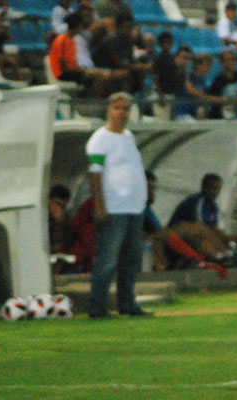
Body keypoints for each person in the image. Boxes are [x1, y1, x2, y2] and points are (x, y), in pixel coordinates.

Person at [85, 92, 152, 319]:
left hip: (133, 207)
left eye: (126, 108)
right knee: (108, 259)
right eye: (118, 108)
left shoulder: (128, 137)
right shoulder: (100, 139)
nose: (122, 112)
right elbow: (95, 174)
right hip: (114, 208)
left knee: (131, 260)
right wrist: (100, 206)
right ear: (108, 110)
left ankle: (127, 303)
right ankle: (97, 306)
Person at [206, 49, 237, 119]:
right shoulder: (219, 79)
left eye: (233, 59)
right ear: (222, 63)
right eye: (227, 60)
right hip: (218, 114)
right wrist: (223, 100)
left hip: (232, 111)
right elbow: (209, 98)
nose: (231, 62)